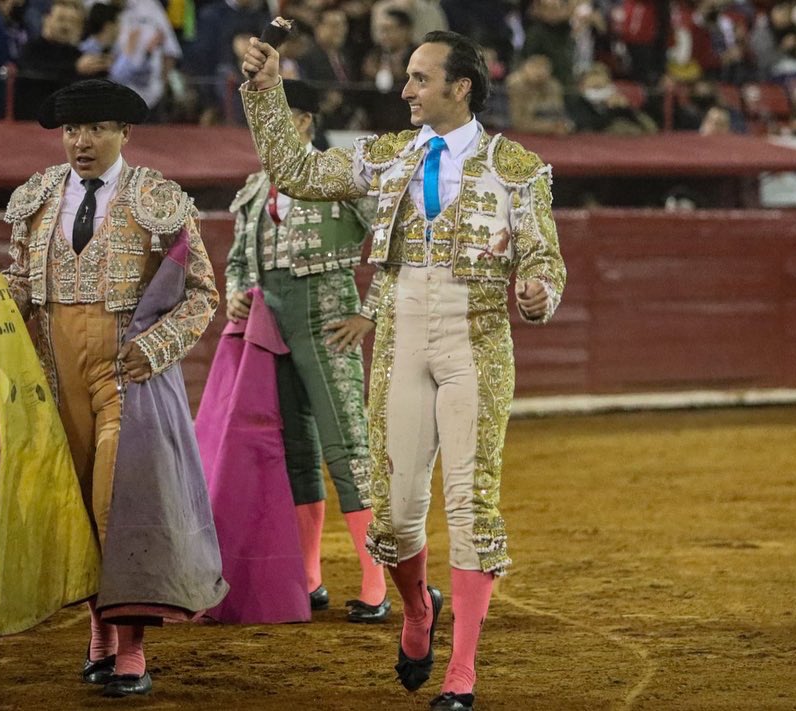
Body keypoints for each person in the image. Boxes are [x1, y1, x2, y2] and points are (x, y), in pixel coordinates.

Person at [241, 28, 566, 711]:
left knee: (473, 505)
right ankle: (419, 608)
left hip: (476, 348)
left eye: (419, 78)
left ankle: (463, 670)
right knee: (395, 514)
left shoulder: (519, 168)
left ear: (461, 87)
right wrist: (267, 92)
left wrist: (538, 292)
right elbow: (297, 172)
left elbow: (544, 260)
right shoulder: (385, 158)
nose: (405, 89)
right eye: (407, 76)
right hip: (399, 345)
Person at [3, 78, 228, 698]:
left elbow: (203, 294)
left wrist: (153, 349)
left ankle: (131, 647)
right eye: (73, 130)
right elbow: (21, 281)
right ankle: (99, 633)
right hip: (54, 376)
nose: (82, 142)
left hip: (123, 375)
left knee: (121, 506)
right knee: (73, 506)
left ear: (124, 133)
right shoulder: (37, 198)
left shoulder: (157, 199)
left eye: (97, 129)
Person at [225, 79, 389, 623]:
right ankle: (309, 576)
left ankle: (375, 581)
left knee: (346, 445)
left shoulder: (341, 174)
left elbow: (398, 234)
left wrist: (370, 310)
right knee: (295, 451)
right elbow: (238, 262)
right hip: (271, 326)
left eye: (277, 119)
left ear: (302, 124)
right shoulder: (252, 191)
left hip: (327, 315)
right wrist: (236, 297)